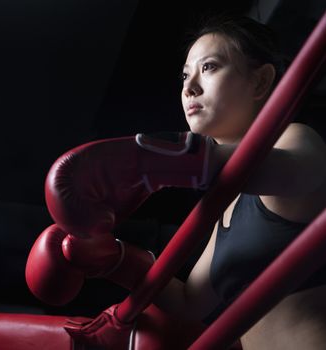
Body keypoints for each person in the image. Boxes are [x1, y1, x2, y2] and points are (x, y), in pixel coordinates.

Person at [36, 13, 326, 350]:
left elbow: (301, 173)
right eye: (185, 75)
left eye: (209, 67)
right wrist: (114, 260)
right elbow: (191, 303)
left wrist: (151, 162)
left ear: (261, 82)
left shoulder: (293, 140)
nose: (189, 87)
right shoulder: (226, 201)